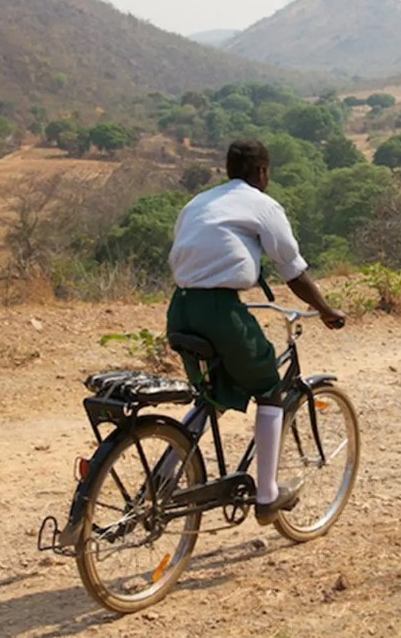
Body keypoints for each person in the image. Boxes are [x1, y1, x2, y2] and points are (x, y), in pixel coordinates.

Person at [166, 138, 346, 524]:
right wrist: (327, 310)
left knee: (210, 394)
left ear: (229, 169)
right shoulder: (263, 205)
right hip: (219, 310)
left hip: (180, 307)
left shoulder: (198, 202)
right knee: (269, 388)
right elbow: (293, 272)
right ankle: (267, 497)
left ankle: (163, 476)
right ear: (262, 172)